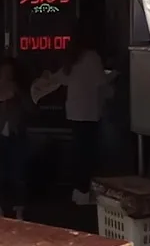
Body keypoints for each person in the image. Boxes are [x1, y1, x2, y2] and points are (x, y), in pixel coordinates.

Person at [48, 32, 112, 206]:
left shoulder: (72, 58)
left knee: (78, 152)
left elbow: (60, 78)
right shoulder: (93, 57)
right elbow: (101, 83)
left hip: (74, 112)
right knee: (87, 153)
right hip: (89, 112)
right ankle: (84, 193)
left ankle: (78, 191)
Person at [0, 58, 32, 219]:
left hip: (16, 135)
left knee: (18, 172)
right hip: (0, 136)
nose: (7, 75)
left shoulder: (19, 91)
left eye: (9, 72)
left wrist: (18, 94)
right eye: (4, 72)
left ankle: (19, 208)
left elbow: (30, 109)